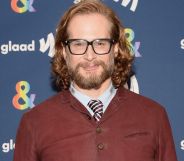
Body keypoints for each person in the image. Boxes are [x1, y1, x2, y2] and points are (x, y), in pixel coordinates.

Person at [13, 0, 177, 161]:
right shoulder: (34, 123)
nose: (89, 56)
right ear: (63, 51)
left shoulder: (153, 115)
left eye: (100, 43)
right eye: (78, 44)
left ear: (115, 48)